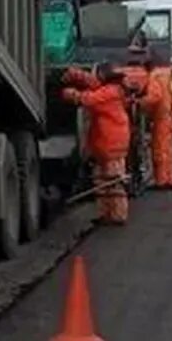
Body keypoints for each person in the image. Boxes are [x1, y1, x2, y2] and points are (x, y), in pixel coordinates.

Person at [62, 62, 133, 225]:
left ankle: (118, 214)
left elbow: (88, 99)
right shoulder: (114, 89)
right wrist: (76, 74)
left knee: (114, 181)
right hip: (106, 142)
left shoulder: (109, 93)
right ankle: (106, 213)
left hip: (112, 142)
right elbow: (92, 83)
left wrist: (71, 94)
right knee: (102, 180)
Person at [139, 58, 172, 191]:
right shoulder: (165, 75)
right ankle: (168, 178)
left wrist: (139, 102)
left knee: (159, 150)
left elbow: (155, 96)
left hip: (161, 118)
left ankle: (161, 181)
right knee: (167, 150)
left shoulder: (154, 76)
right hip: (168, 115)